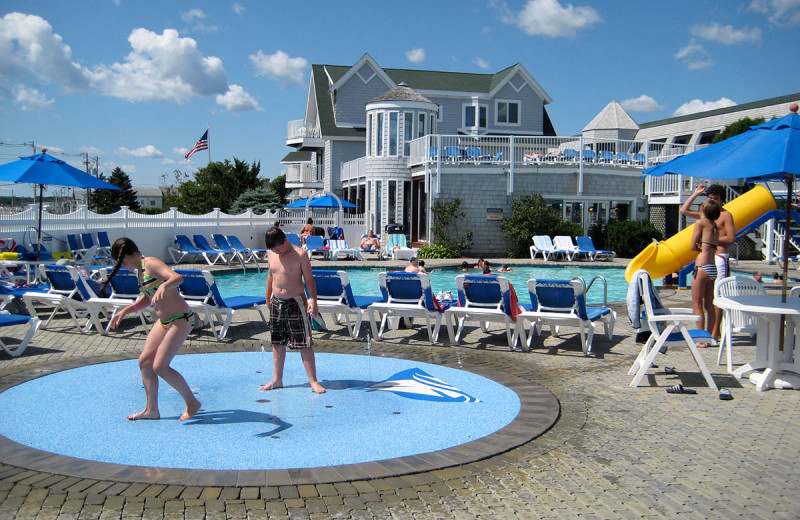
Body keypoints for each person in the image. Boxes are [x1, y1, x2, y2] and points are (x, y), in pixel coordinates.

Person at [103, 238, 201, 421]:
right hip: (164, 321)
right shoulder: (140, 271)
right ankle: (151, 410)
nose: (123, 266)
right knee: (145, 362)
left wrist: (165, 284)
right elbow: (149, 297)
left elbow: (177, 278)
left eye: (122, 262)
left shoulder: (151, 263)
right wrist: (126, 311)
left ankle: (192, 402)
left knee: (160, 366)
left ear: (127, 256)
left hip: (180, 319)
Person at [260, 227, 325, 394]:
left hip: (296, 301)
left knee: (305, 342)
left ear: (285, 241)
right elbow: (270, 275)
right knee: (277, 342)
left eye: (279, 249)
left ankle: (313, 381)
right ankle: (277, 379)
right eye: (274, 250)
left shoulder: (300, 255)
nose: (278, 253)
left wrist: (314, 300)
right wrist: (267, 297)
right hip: (276, 301)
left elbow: (309, 280)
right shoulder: (271, 253)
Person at [681, 183, 735, 340]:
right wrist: (695, 193)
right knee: (709, 301)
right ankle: (712, 333)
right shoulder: (708, 217)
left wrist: (708, 242)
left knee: (715, 297)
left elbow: (731, 238)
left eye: (716, 199)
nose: (713, 201)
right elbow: (683, 210)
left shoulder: (724, 215)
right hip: (710, 261)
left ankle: (714, 332)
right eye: (710, 198)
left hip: (718, 258)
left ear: (722, 200)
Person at [690, 201, 721, 346]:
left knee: (697, 304)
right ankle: (709, 338)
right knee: (709, 305)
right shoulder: (715, 226)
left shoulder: (701, 223)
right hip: (712, 267)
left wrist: (698, 247)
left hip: (701, 266)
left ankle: (701, 340)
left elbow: (692, 246)